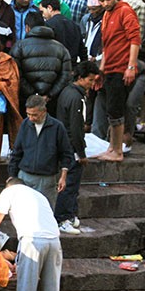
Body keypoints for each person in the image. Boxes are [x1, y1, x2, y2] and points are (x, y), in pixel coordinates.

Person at [96, 0, 141, 161]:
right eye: (102, 0)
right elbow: (106, 45)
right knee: (111, 109)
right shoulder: (106, 14)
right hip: (109, 67)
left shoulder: (125, 11)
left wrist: (131, 66)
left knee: (116, 110)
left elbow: (135, 39)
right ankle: (112, 147)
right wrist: (101, 69)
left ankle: (118, 151)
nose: (105, 3)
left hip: (121, 68)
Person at [9, 94, 74, 209]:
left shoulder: (57, 127)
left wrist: (63, 177)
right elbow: (17, 151)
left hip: (46, 179)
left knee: (44, 211)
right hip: (25, 176)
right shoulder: (25, 124)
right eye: (28, 114)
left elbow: (66, 153)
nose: (31, 118)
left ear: (44, 111)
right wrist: (12, 175)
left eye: (34, 115)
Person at [55, 62, 98, 234]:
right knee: (70, 184)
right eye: (90, 80)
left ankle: (70, 214)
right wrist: (81, 153)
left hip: (66, 145)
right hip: (71, 148)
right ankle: (62, 218)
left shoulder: (68, 92)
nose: (92, 84)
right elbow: (76, 129)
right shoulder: (76, 98)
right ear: (80, 78)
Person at [11, 11, 72, 110]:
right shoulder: (61, 48)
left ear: (27, 28)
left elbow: (15, 74)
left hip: (26, 102)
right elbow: (66, 75)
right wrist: (49, 95)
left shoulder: (19, 47)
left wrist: (33, 94)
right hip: (52, 102)